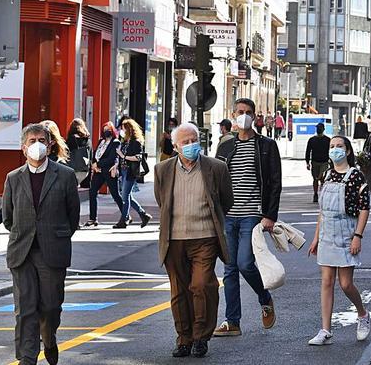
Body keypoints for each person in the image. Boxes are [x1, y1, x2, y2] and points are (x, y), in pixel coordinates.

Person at [0, 124, 80, 365]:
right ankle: (27, 358)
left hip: (52, 252)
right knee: (25, 309)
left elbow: (73, 217)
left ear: (50, 145)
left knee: (50, 307)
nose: (37, 144)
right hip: (22, 252)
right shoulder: (13, 178)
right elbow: (8, 217)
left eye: (42, 139)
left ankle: (48, 339)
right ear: (23, 147)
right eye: (32, 140)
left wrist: (54, 236)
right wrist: (25, 234)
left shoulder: (66, 176)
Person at [154, 123, 234, 358]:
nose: (190, 146)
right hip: (174, 239)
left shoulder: (216, 168)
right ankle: (184, 338)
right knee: (179, 291)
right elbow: (163, 202)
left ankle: (201, 337)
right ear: (176, 146)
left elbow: (225, 201)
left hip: (205, 237)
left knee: (201, 285)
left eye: (194, 140)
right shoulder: (163, 170)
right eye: (185, 142)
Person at [214, 98, 282, 337]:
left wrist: (269, 215)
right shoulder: (225, 146)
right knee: (229, 269)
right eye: (240, 112)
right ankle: (232, 321)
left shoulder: (266, 145)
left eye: (248, 112)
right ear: (233, 114)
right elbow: (216, 180)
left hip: (252, 215)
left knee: (244, 263)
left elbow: (275, 182)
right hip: (228, 216)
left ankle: (264, 297)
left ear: (255, 116)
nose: (244, 116)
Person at [307, 136, 371, 345]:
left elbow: (364, 209)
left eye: (339, 146)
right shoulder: (326, 175)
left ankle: (362, 314)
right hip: (327, 232)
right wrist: (316, 237)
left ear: (348, 151)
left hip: (346, 233)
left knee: (345, 284)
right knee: (326, 282)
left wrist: (358, 237)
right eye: (332, 146)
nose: (335, 150)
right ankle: (325, 330)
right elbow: (322, 211)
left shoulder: (356, 177)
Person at [84, 122, 125, 228]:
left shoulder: (115, 142)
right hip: (98, 172)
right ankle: (93, 218)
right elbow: (95, 153)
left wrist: (98, 164)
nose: (106, 131)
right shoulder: (101, 141)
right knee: (92, 192)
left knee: (115, 194)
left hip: (109, 171)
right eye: (104, 129)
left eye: (108, 129)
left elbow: (111, 158)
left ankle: (126, 215)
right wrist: (94, 165)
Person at [115, 118, 152, 229]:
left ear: (129, 129)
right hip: (124, 171)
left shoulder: (136, 142)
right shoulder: (125, 141)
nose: (122, 130)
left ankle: (124, 219)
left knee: (125, 197)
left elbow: (138, 157)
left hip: (131, 171)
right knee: (127, 196)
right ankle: (143, 214)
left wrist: (123, 156)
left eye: (123, 128)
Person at [306, 123, 331, 203]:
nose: (318, 130)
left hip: (324, 162)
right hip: (315, 162)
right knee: (315, 178)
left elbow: (330, 151)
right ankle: (316, 194)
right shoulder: (312, 140)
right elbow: (308, 151)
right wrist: (307, 162)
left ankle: (322, 194)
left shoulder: (328, 140)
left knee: (322, 177)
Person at [64, 118, 92, 186]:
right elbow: (90, 157)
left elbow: (65, 155)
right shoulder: (88, 140)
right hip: (84, 171)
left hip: (72, 170)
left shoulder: (70, 140)